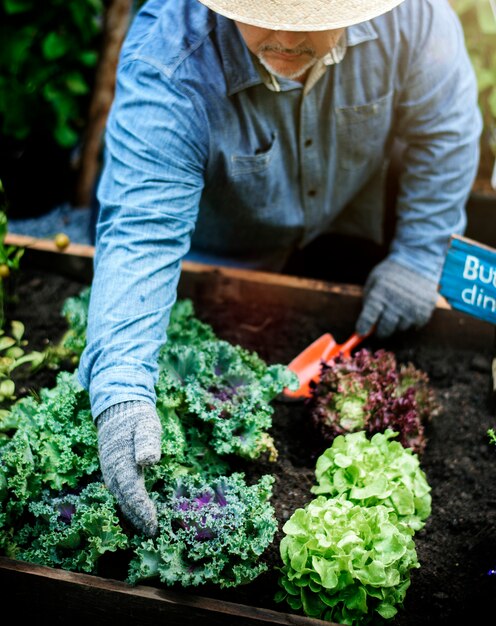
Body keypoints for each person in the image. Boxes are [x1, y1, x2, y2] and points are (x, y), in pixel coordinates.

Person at [78, 0, 482, 537]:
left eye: (308, 20)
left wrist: (418, 255)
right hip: (217, 257)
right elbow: (142, 231)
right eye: (265, 12)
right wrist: (122, 388)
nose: (284, 36)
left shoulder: (413, 21)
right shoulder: (170, 59)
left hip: (343, 229)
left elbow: (445, 135)